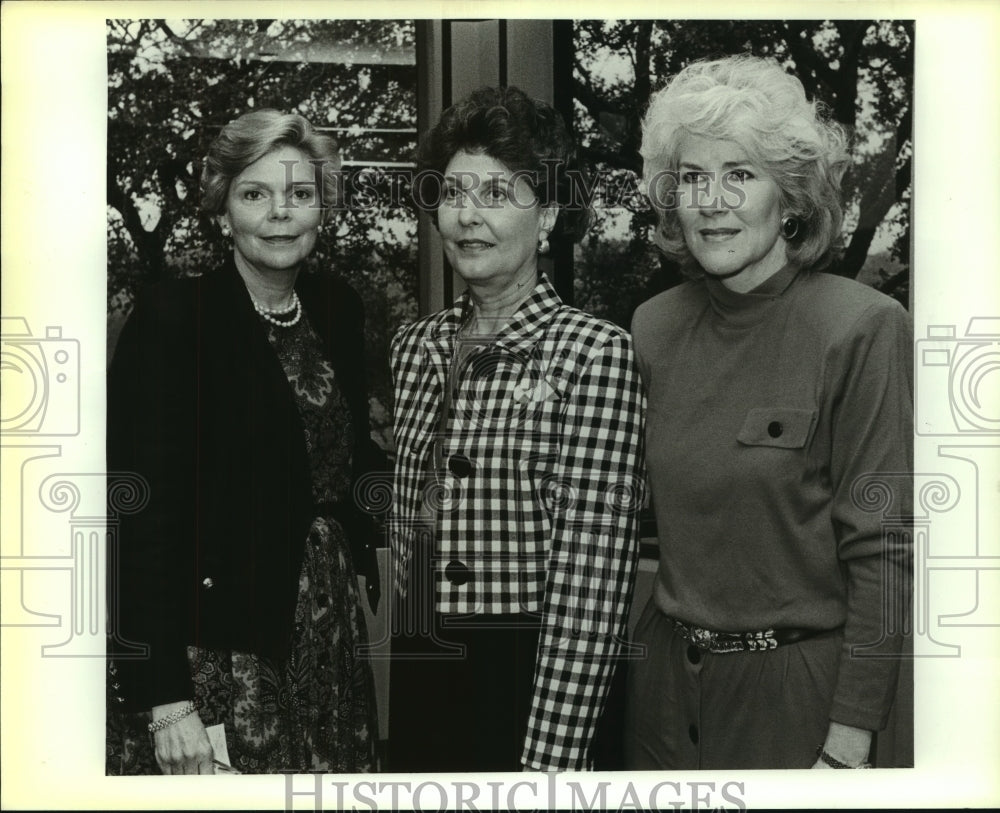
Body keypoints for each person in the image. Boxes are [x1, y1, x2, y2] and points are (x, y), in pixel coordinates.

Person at [625, 54, 913, 770]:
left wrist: (848, 743)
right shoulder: (650, 327)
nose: (712, 200)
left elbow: (883, 552)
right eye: (693, 177)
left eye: (740, 175)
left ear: (790, 201)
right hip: (660, 692)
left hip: (798, 699)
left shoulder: (862, 327)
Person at [106, 110, 381, 774]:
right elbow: (141, 518)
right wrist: (166, 699)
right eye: (255, 194)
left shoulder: (338, 310)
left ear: (323, 207)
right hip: (217, 653)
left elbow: (338, 465)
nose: (280, 213)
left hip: (328, 636)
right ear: (222, 210)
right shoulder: (175, 322)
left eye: (300, 193)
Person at [388, 86, 645, 772]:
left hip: (535, 676)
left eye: (499, 193)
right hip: (424, 669)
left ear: (550, 213)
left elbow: (591, 584)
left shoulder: (593, 351)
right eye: (454, 191)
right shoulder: (415, 347)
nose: (468, 215)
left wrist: (549, 765)